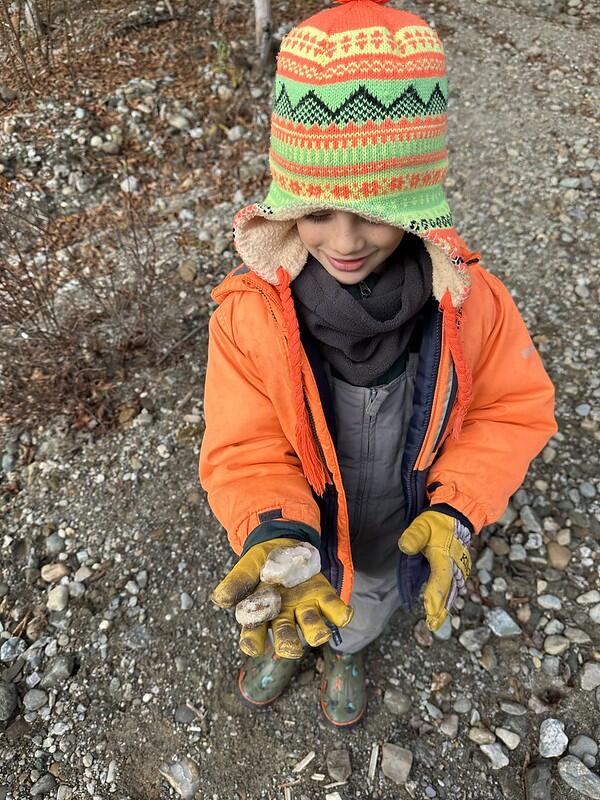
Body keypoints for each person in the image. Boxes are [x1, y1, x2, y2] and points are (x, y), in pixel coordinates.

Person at [198, 0, 557, 728]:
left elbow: (511, 410)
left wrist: (456, 509)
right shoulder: (249, 314)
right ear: (286, 203)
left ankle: (349, 651)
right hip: (304, 528)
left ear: (418, 201)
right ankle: (294, 639)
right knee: (296, 593)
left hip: (396, 521)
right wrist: (274, 529)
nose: (347, 238)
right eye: (317, 209)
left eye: (375, 207)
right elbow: (245, 441)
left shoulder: (471, 304)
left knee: (366, 602)